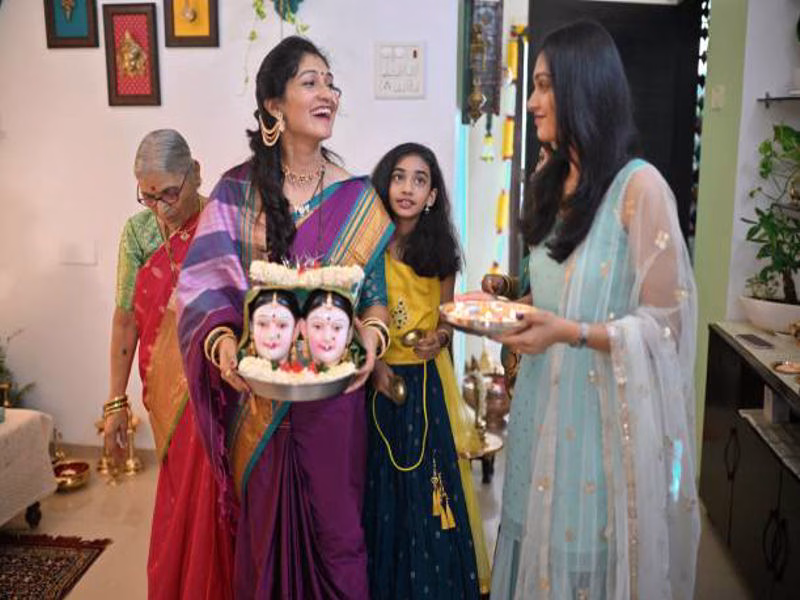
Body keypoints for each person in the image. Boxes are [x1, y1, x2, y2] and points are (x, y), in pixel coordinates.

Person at [479, 21, 700, 599]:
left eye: (546, 85)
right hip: (540, 409)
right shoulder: (549, 181)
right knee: (530, 548)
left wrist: (570, 333)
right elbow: (549, 297)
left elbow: (666, 326)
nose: (531, 101)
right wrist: (504, 310)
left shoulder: (639, 188)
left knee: (580, 566)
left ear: (584, 88)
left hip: (599, 422)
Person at [176, 36, 393, 599]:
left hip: (337, 407)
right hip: (259, 401)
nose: (328, 94)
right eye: (311, 82)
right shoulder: (234, 192)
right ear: (274, 105)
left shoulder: (357, 198)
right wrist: (222, 345)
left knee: (340, 539)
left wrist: (371, 336)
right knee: (262, 541)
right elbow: (202, 290)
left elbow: (375, 297)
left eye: (330, 83)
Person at [104, 129, 233, 599]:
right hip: (164, 388)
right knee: (182, 491)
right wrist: (116, 401)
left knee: (221, 492)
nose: (159, 208)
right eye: (147, 196)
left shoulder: (224, 223)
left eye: (169, 195)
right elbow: (124, 320)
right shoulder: (138, 233)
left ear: (196, 173)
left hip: (223, 383)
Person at [364, 142, 491, 598]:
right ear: (386, 183)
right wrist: (374, 364)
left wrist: (441, 337)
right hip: (376, 379)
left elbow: (447, 319)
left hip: (425, 383)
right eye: (399, 177)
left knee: (429, 482)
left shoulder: (438, 253)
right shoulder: (368, 244)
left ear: (432, 195)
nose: (407, 188)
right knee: (381, 481)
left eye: (420, 180)